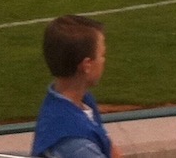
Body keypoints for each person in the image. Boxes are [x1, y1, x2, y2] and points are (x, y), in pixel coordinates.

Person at [30, 15, 117, 158]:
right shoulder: (75, 143)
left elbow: (113, 151)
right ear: (87, 65)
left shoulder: (81, 102)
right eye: (102, 55)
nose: (104, 60)